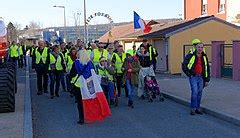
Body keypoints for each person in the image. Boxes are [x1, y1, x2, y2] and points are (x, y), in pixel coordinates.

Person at [69, 49, 111, 125]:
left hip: (79, 85)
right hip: (89, 84)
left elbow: (71, 74)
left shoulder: (76, 63)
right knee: (90, 99)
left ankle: (81, 118)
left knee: (80, 103)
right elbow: (93, 73)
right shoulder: (90, 63)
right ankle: (93, 114)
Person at [182, 39, 210, 115]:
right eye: (198, 47)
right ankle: (193, 108)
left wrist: (207, 80)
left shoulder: (204, 56)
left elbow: (207, 68)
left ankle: (198, 108)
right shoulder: (191, 55)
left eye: (201, 47)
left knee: (200, 92)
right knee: (194, 92)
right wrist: (189, 74)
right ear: (195, 47)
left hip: (201, 77)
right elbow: (184, 65)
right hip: (193, 77)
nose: (200, 49)